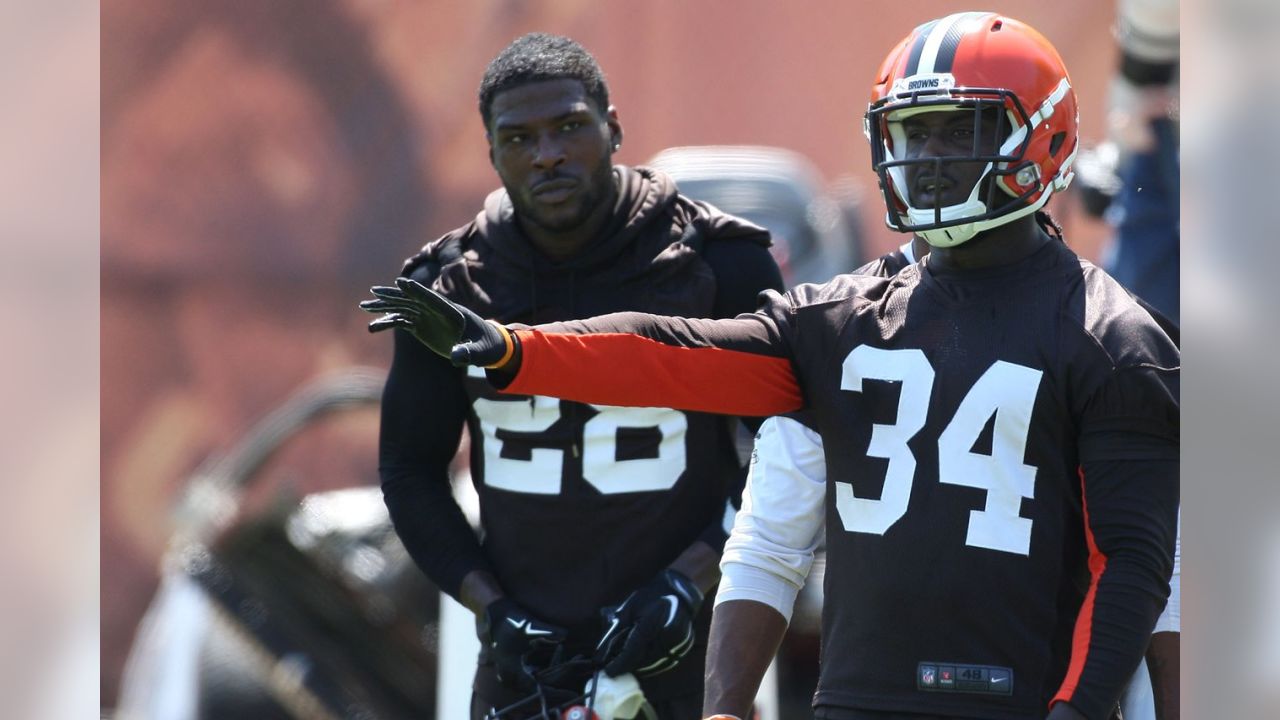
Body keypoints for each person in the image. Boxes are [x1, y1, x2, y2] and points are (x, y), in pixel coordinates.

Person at [363, 13, 1179, 720]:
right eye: (911, 132)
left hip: (1023, 698)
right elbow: (681, 356)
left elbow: (1140, 570)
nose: (925, 159)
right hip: (858, 698)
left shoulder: (1113, 337)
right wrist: (517, 351)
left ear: (1043, 135)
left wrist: (1075, 709)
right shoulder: (843, 317)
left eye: (955, 132)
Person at [365, 32, 784, 719]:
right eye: (520, 138)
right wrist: (490, 606)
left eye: (568, 127)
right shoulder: (450, 289)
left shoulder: (719, 264)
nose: (549, 154)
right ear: (492, 155)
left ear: (613, 127)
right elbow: (410, 469)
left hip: (687, 650)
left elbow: (790, 452)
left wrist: (691, 579)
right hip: (531, 662)